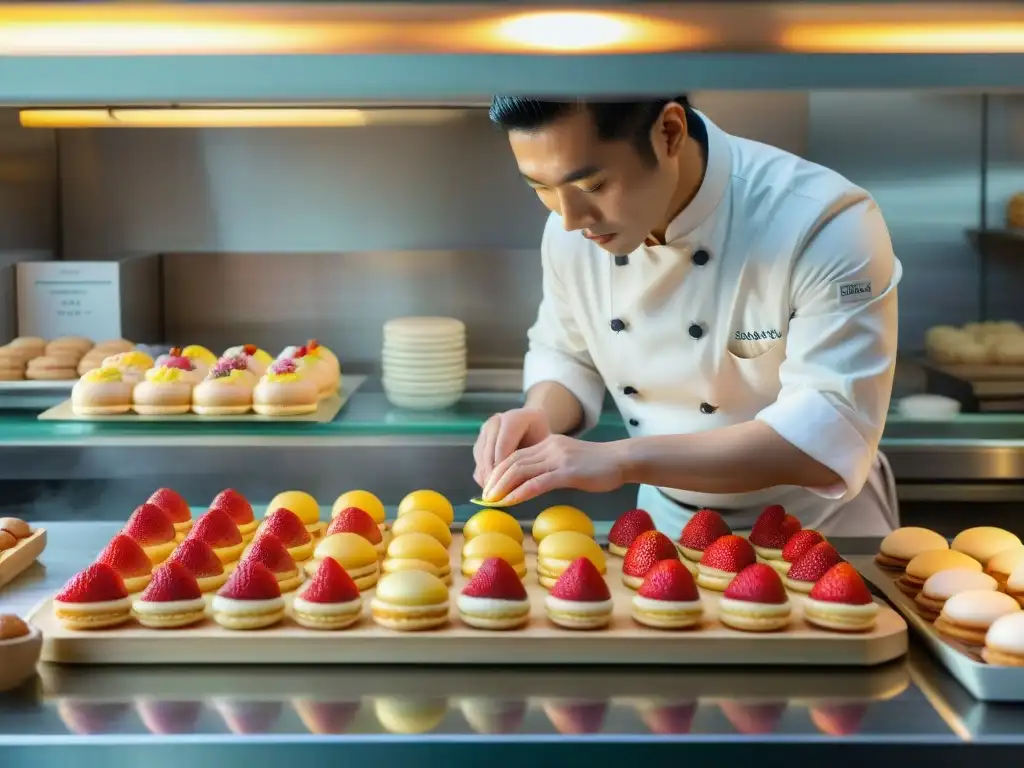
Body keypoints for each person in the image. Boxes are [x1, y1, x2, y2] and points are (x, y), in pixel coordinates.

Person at [472, 95, 902, 536]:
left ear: (670, 133)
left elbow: (827, 429)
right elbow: (567, 352)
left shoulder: (823, 220)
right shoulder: (570, 232)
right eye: (540, 187)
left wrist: (621, 460)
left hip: (819, 531)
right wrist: (541, 414)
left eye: (592, 186)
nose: (569, 219)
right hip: (668, 531)